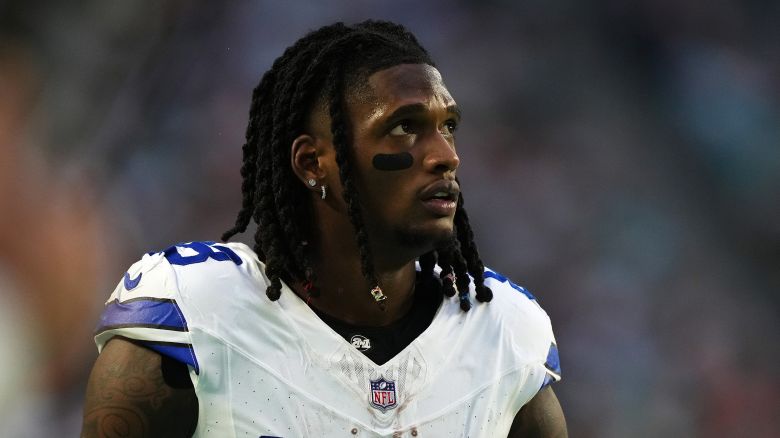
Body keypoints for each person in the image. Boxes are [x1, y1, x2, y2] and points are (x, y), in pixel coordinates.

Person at [81, 20, 567, 437]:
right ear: (313, 162)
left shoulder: (503, 335)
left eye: (448, 126)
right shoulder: (196, 317)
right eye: (404, 127)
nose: (446, 156)